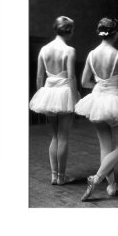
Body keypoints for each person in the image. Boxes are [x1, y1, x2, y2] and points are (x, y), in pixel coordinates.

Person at [76, 18, 118, 201]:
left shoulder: (91, 54)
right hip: (115, 100)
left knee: (105, 147)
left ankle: (112, 185)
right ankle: (97, 178)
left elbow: (84, 81)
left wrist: (99, 85)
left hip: (97, 100)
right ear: (116, 33)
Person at [29, 16, 79, 186]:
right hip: (65, 92)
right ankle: (61, 177)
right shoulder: (69, 50)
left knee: (55, 136)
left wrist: (41, 96)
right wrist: (74, 98)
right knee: (63, 136)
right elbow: (71, 76)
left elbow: (39, 77)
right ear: (69, 30)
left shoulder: (44, 49)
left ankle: (54, 175)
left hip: (49, 92)